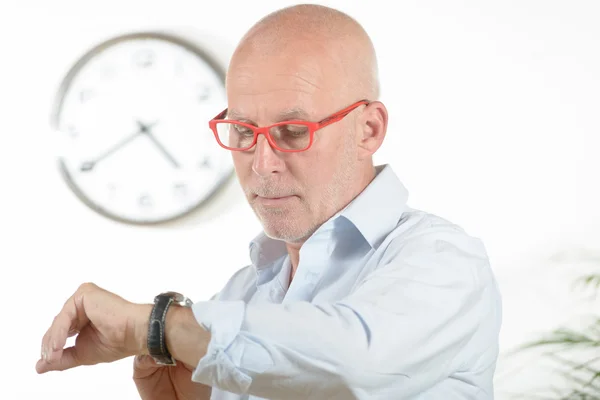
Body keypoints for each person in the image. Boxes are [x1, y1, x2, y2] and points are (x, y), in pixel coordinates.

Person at [36, 3, 502, 399]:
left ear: (369, 130)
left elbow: (356, 361)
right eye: (242, 132)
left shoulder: (443, 260)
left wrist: (156, 325)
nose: (262, 165)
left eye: (293, 132)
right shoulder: (245, 292)